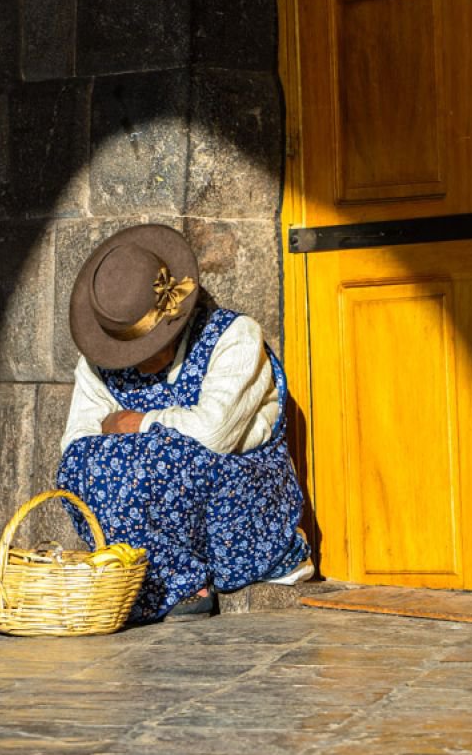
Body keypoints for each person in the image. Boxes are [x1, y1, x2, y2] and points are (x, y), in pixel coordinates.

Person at [56, 223, 313, 621]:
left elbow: (213, 433)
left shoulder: (233, 337)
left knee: (167, 453)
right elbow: (77, 443)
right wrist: (138, 445)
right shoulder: (96, 364)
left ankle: (187, 581)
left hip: (234, 512)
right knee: (80, 464)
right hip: (149, 519)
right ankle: (151, 577)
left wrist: (137, 424)